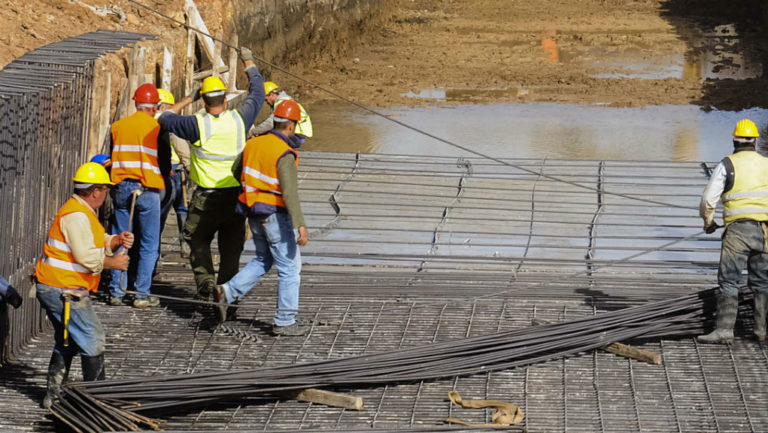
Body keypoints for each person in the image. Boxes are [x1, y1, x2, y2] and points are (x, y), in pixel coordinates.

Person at [158, 47, 265, 300]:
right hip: (237, 198)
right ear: (225, 100)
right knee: (231, 248)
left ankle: (206, 283)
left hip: (206, 198)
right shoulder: (241, 119)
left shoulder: (196, 124)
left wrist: (188, 98)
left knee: (196, 239)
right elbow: (258, 92)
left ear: (204, 101)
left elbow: (162, 116)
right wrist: (248, 61)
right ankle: (226, 293)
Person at [34, 162, 133, 408]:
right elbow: (87, 257)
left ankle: (53, 396)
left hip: (57, 286)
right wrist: (114, 263)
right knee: (93, 339)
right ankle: (96, 403)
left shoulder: (82, 211)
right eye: (105, 190)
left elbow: (94, 244)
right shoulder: (77, 215)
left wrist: (115, 240)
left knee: (66, 341)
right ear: (95, 190)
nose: (106, 194)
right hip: (64, 289)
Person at [215, 99, 309, 336]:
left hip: (253, 213)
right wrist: (300, 224)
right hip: (276, 215)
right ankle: (285, 320)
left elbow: (236, 172)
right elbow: (289, 192)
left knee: (263, 259)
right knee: (289, 268)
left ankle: (228, 292)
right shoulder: (284, 152)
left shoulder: (253, 144)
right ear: (291, 126)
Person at [699, 118, 768, 344]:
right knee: (762, 282)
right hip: (765, 231)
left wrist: (708, 223)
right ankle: (760, 330)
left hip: (737, 232)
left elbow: (709, 200)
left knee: (729, 281)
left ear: (734, 140)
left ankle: (724, 331)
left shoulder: (727, 165)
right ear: (755, 142)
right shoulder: (766, 164)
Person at [108, 83, 170, 308]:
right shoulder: (157, 128)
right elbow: (164, 162)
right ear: (155, 107)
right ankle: (141, 295)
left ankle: (116, 291)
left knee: (120, 239)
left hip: (122, 187)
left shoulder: (117, 126)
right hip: (147, 189)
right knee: (148, 243)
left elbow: (111, 156)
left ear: (136, 103)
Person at [156, 88, 192, 258]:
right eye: (171, 107)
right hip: (175, 171)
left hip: (156, 170)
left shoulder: (148, 122)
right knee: (181, 208)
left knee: (159, 212)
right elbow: (181, 147)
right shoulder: (169, 123)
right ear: (162, 106)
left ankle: (154, 249)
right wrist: (189, 167)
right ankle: (185, 245)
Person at [248, 81, 312, 148]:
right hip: (297, 134)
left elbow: (270, 123)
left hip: (296, 135)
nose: (266, 103)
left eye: (266, 100)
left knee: (267, 137)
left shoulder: (282, 103)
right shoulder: (284, 100)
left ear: (272, 94)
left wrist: (252, 132)